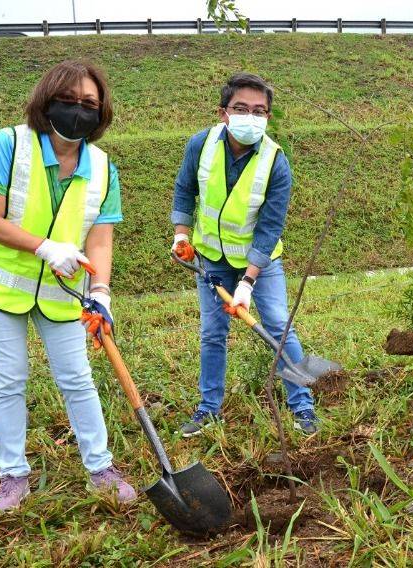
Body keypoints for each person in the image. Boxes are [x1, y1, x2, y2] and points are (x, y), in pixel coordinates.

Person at [0, 60, 136, 516]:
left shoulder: (101, 167)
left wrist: (101, 290)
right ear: (47, 101)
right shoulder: (10, 144)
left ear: (101, 113)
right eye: (68, 101)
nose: (78, 110)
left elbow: (100, 236)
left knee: (77, 379)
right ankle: (13, 476)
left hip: (62, 291)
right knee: (9, 379)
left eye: (89, 104)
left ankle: (101, 468)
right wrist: (43, 247)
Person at [170, 73, 320, 436]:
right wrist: (180, 235)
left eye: (259, 111)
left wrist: (249, 281)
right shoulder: (200, 145)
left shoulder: (275, 162)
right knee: (212, 334)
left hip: (261, 263)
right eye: (241, 108)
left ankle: (302, 407)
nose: (250, 117)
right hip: (210, 258)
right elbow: (184, 189)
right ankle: (208, 409)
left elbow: (270, 227)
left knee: (279, 328)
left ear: (268, 117)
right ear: (223, 112)